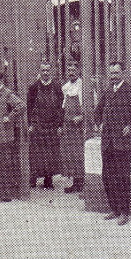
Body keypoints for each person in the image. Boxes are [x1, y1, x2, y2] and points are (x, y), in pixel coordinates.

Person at [94, 61, 131, 225]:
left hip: (123, 144)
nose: (113, 76)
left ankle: (124, 212)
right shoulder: (107, 91)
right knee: (107, 177)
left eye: (116, 73)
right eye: (111, 73)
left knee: (122, 177)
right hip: (107, 142)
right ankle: (114, 209)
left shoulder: (130, 91)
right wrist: (99, 124)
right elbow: (97, 111)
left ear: (123, 73)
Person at [0, 66, 25, 203]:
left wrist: (9, 117)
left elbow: (21, 105)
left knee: (4, 166)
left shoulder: (7, 93)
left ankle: (4, 195)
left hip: (5, 138)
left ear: (1, 81)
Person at [27, 61, 63, 189]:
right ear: (40, 71)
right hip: (38, 125)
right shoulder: (33, 87)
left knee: (50, 153)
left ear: (51, 71)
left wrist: (59, 125)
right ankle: (33, 178)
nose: (46, 73)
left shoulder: (57, 87)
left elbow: (60, 108)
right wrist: (30, 124)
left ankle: (48, 179)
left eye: (48, 70)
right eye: (43, 70)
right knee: (36, 153)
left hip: (52, 125)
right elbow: (29, 107)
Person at [60, 62, 85, 194]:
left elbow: (91, 105)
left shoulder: (83, 86)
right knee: (70, 154)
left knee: (79, 153)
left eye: (74, 70)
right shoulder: (66, 87)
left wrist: (82, 116)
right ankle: (75, 182)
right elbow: (63, 108)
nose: (71, 73)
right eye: (69, 70)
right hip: (68, 126)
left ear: (79, 70)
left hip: (80, 126)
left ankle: (82, 182)